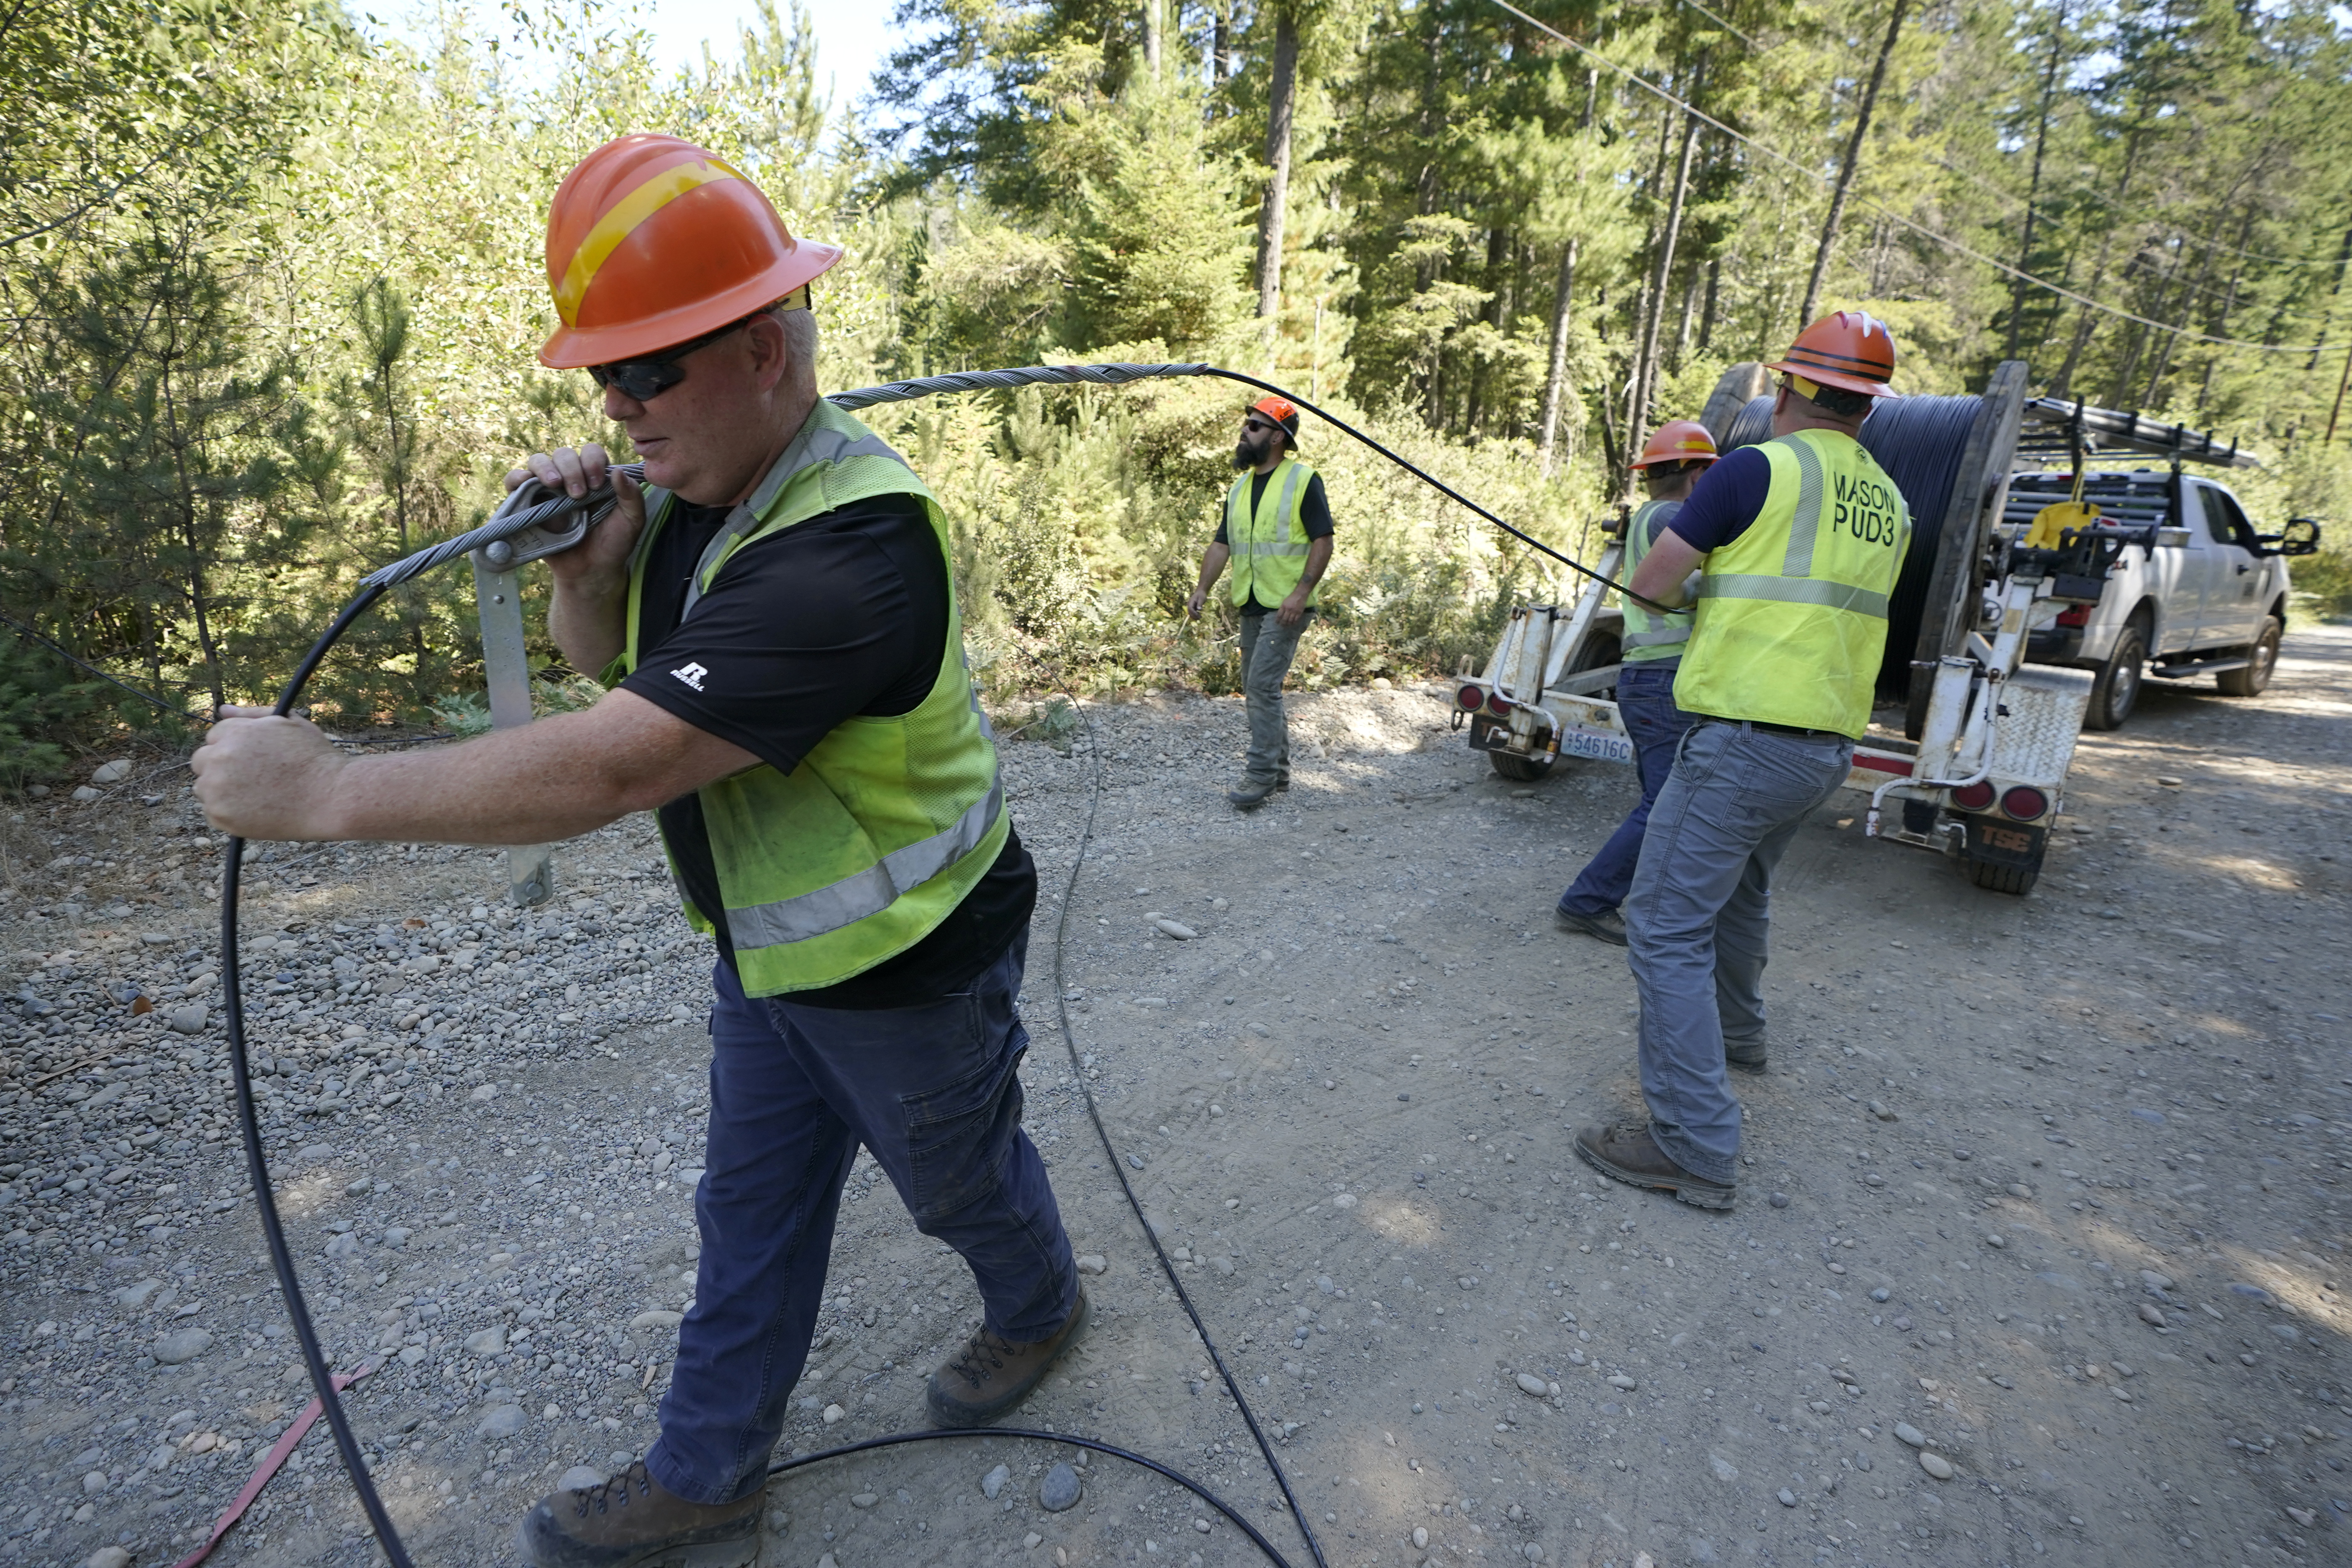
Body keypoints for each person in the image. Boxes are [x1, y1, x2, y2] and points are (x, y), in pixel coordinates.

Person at [190, 134, 1087, 1568]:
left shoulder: (852, 557)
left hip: (915, 963)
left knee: (960, 1182)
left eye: (652, 369)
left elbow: (618, 763)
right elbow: (612, 670)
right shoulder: (698, 496)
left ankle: (1038, 1302)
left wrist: (327, 792)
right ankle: (708, 1464)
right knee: (746, 1212)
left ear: (772, 355)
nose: (616, 403)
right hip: (773, 953)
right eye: (606, 375)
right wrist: (589, 570)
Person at [1573, 311, 1913, 1211]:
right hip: (1823, 746)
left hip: (1742, 739)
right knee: (1743, 894)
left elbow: (1648, 584)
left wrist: (1706, 589)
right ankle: (1738, 1036)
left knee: (1660, 922)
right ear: (1868, 408)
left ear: (1792, 388)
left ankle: (1689, 1144)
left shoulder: (1754, 468)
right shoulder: (1888, 499)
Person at [1554, 420, 1716, 946]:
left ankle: (1640, 898)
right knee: (1667, 805)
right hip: (1664, 677)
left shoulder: (1652, 516)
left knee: (1662, 801)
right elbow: (1691, 587)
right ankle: (1587, 901)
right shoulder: (1676, 517)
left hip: (1649, 677)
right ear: (1695, 472)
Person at [1185, 395, 1335, 810]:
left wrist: (1301, 593)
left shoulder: (1303, 480)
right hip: (1251, 601)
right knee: (1259, 689)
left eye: (1253, 426)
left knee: (1260, 687)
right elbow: (1221, 545)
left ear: (1276, 437)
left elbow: (1323, 541)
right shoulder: (1238, 488)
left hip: (1286, 605)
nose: (1244, 432)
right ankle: (1280, 772)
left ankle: (1260, 776)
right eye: (1246, 425)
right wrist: (1202, 588)